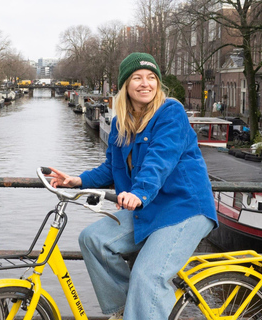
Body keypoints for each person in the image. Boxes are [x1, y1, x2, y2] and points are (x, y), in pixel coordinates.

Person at [46, 52, 218, 320]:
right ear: (125, 85)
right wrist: (78, 180)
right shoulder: (119, 123)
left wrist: (139, 193)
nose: (145, 83)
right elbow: (111, 168)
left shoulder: (171, 112)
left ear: (158, 84)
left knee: (147, 275)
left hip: (184, 209)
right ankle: (126, 311)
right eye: (137, 78)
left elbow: (161, 159)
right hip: (148, 208)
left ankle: (142, 308)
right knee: (92, 239)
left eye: (151, 78)